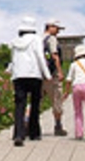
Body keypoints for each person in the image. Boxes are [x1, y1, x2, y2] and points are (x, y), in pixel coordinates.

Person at [8, 16, 52, 146]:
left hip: (18, 76)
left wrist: (11, 71)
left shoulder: (15, 41)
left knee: (19, 105)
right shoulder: (36, 40)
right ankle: (34, 133)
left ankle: (18, 134)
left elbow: (13, 59)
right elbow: (40, 56)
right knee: (35, 104)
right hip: (34, 75)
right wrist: (47, 75)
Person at [63, 44, 85, 140]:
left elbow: (69, 79)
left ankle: (79, 133)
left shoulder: (73, 64)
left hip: (76, 87)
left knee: (78, 111)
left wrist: (66, 92)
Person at [42, 19, 68, 136]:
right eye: (57, 28)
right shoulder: (51, 39)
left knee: (36, 100)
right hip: (52, 75)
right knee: (57, 100)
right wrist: (60, 72)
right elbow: (54, 56)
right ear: (50, 27)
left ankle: (28, 123)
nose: (58, 31)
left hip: (39, 74)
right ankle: (58, 126)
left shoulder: (38, 39)